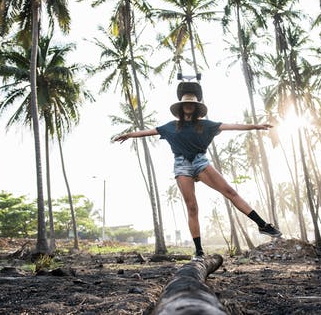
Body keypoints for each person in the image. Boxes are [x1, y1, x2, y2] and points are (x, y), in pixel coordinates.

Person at [113, 90, 282, 261]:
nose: (189, 106)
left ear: (195, 107)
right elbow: (149, 132)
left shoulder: (205, 125)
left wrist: (255, 126)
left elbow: (231, 126)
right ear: (181, 107)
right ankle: (199, 250)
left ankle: (262, 225)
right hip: (182, 165)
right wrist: (129, 135)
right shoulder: (171, 126)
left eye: (192, 104)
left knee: (230, 192)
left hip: (201, 162)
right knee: (192, 207)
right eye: (186, 103)